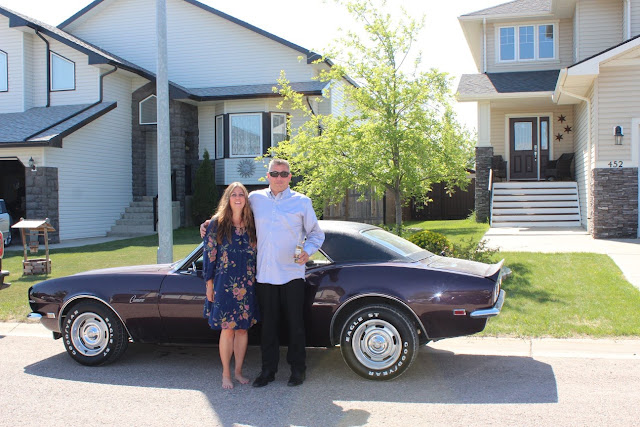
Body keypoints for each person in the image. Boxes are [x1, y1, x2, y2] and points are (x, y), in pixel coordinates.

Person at [201, 158, 324, 387]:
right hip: (264, 275)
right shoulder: (255, 199)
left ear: (290, 177)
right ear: (267, 176)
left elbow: (316, 234)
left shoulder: (302, 202)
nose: (279, 178)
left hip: (292, 273)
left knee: (295, 325)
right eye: (274, 173)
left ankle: (298, 370)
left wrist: (307, 251)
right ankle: (268, 371)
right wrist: (210, 223)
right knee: (268, 327)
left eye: (284, 174)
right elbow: (234, 210)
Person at [202, 182, 259, 390]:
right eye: (233, 194)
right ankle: (226, 373)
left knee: (242, 330)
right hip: (224, 284)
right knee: (227, 330)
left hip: (247, 285)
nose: (237, 198)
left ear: (246, 199)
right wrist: (209, 285)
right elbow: (209, 256)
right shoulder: (216, 224)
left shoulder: (253, 224)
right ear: (227, 198)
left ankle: (238, 371)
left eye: (241, 194)